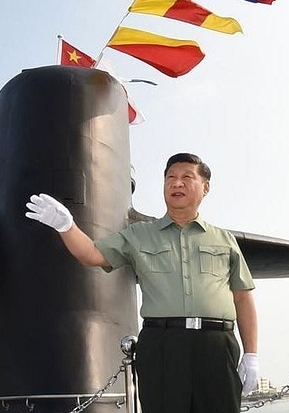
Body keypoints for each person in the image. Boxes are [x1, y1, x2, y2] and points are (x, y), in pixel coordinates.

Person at [25, 152, 259, 413]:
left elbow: (242, 297)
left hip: (217, 345)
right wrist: (66, 226)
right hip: (162, 345)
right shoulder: (139, 235)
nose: (176, 183)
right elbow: (91, 254)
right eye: (170, 178)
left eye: (186, 177)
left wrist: (251, 355)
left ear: (205, 187)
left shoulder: (224, 240)